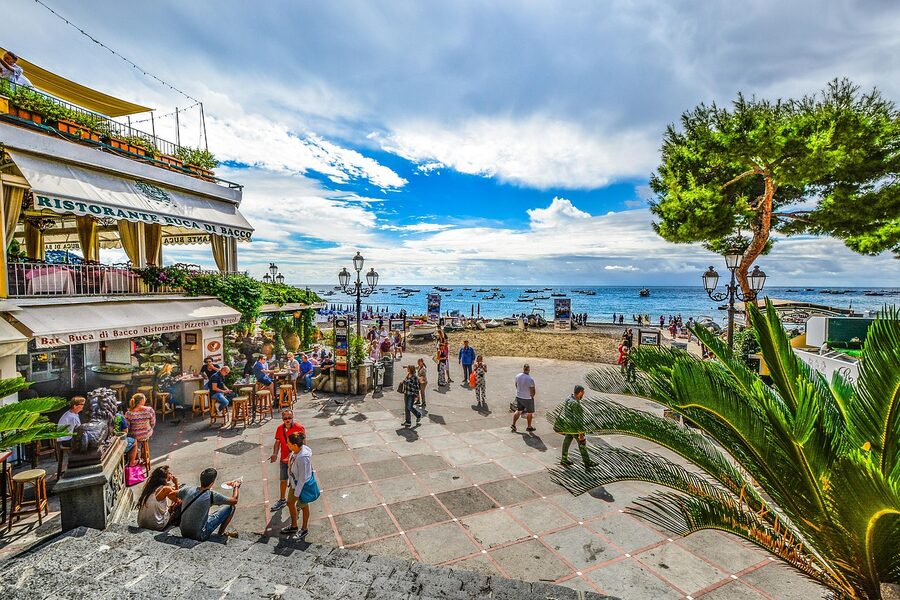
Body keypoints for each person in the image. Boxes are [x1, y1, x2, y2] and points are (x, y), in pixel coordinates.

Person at [177, 467, 240, 541]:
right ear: (212, 483)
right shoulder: (211, 495)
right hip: (200, 535)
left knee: (208, 514)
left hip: (183, 532)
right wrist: (236, 486)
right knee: (231, 508)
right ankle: (220, 534)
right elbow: (234, 501)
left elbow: (171, 493)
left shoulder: (188, 489)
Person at [270, 410, 305, 512]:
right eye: (285, 418)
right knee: (283, 480)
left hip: (295, 460)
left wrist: (295, 454)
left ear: (293, 417)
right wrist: (275, 454)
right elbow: (277, 443)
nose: (287, 420)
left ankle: (300, 501)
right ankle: (282, 500)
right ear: (282, 419)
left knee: (298, 481)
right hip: (284, 459)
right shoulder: (279, 429)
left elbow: (303, 445)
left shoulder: (299, 428)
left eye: (289, 418)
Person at [282, 431, 314, 537]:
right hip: (294, 484)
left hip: (301, 487)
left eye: (289, 443)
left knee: (304, 506)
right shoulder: (296, 451)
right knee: (290, 503)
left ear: (295, 445)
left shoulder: (302, 458)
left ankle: (304, 529)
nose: (287, 444)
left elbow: (303, 478)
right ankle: (294, 526)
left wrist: (297, 493)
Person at [559, 386, 594, 468]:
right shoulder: (576, 404)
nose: (583, 396)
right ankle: (587, 462)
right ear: (580, 392)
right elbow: (578, 420)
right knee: (582, 443)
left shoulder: (568, 398)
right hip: (574, 427)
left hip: (567, 425)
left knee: (567, 441)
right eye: (583, 394)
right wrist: (581, 433)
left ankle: (564, 459)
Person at [137, 466, 181, 531]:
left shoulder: (149, 488)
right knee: (180, 504)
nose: (171, 474)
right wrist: (176, 483)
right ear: (164, 477)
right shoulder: (165, 489)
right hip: (156, 525)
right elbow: (178, 499)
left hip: (141, 523)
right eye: (169, 473)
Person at [125, 393, 156, 463]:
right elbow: (153, 423)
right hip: (146, 433)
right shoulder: (149, 410)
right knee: (147, 431)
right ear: (142, 401)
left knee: (130, 437)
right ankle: (142, 456)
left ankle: (135, 456)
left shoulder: (128, 413)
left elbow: (127, 428)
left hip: (134, 436)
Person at [511, 364, 536, 433]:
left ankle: (513, 424)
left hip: (519, 396)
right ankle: (529, 426)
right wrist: (532, 396)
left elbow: (516, 384)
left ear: (523, 369)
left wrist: (519, 391)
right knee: (530, 413)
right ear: (529, 369)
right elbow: (533, 390)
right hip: (528, 398)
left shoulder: (518, 376)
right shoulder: (530, 379)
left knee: (518, 411)